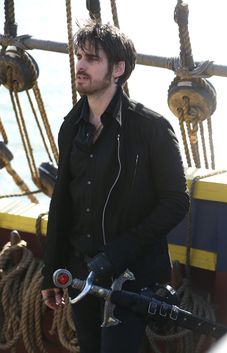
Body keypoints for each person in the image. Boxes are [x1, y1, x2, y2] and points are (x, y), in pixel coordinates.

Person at [41, 20, 189, 353]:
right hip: (82, 273)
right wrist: (51, 269)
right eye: (79, 56)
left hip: (131, 276)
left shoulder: (151, 128)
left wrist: (118, 252)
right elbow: (62, 202)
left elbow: (176, 202)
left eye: (92, 59)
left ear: (118, 69)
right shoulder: (70, 125)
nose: (80, 65)